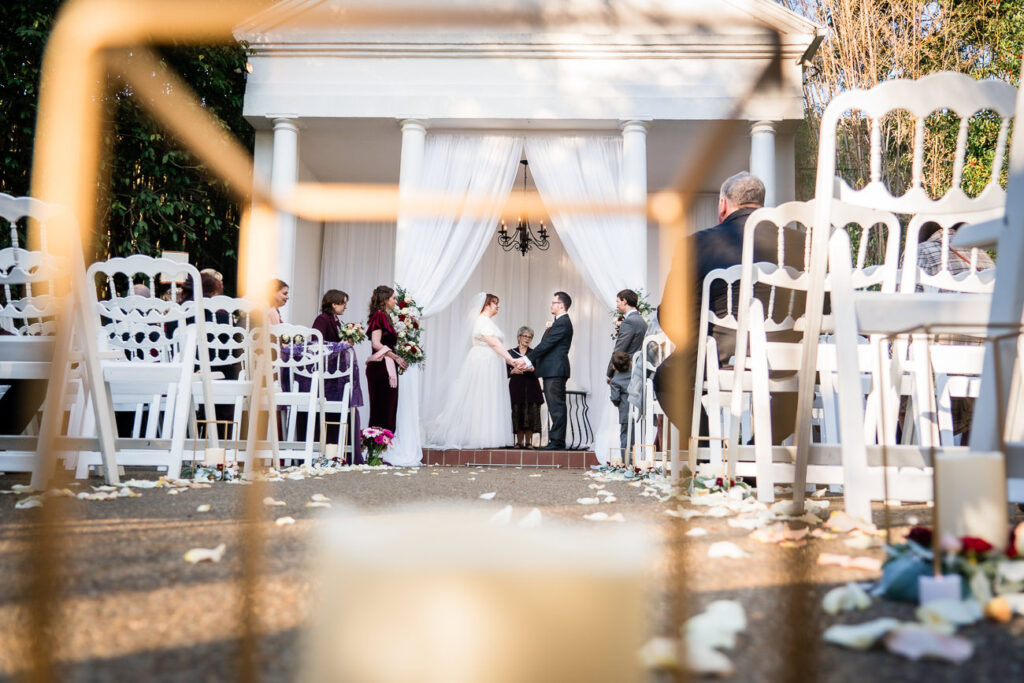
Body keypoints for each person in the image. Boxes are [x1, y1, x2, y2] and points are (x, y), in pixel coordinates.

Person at [654, 171, 804, 448]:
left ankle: (711, 447)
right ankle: (755, 451)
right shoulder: (803, 243)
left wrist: (694, 343)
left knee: (667, 379)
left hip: (720, 352)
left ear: (723, 205)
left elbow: (671, 313)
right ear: (762, 202)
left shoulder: (696, 244)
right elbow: (823, 306)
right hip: (788, 355)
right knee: (802, 389)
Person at [427, 293, 526, 448]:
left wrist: (508, 360)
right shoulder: (482, 321)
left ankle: (488, 434)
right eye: (495, 303)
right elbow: (494, 343)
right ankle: (478, 435)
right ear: (486, 305)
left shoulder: (488, 322)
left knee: (489, 396)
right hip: (483, 361)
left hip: (491, 361)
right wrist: (511, 360)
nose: (497, 306)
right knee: (481, 395)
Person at [528, 291, 573, 450]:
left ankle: (557, 441)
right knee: (555, 407)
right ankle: (556, 440)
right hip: (552, 370)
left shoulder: (563, 322)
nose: (551, 305)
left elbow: (546, 345)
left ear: (561, 305)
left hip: (556, 370)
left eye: (554, 302)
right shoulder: (559, 322)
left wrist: (528, 359)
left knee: (556, 407)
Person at [365, 285, 406, 432]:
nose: (395, 301)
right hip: (381, 367)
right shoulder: (379, 316)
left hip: (385, 365)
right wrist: (396, 357)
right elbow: (376, 343)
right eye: (393, 298)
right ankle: (377, 442)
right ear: (385, 300)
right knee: (382, 408)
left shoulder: (385, 316)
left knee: (388, 408)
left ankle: (383, 442)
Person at [508, 325, 544, 449]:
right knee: (517, 413)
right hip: (516, 387)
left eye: (530, 337)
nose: (527, 339)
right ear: (519, 337)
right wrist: (512, 371)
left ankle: (528, 443)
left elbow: (540, 370)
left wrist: (533, 369)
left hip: (532, 387)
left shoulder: (534, 353)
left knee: (531, 414)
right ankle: (518, 442)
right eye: (525, 336)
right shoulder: (510, 353)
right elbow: (503, 370)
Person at [607, 289, 647, 382]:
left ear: (624, 301)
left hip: (625, 371)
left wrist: (609, 373)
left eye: (618, 302)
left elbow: (619, 349)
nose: (617, 305)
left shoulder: (629, 322)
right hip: (637, 370)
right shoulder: (642, 321)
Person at [608, 350, 633, 456]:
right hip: (640, 412)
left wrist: (618, 404)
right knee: (639, 437)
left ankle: (627, 461)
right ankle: (639, 462)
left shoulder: (615, 381)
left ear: (614, 366)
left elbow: (615, 398)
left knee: (626, 438)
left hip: (625, 413)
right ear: (630, 363)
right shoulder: (636, 375)